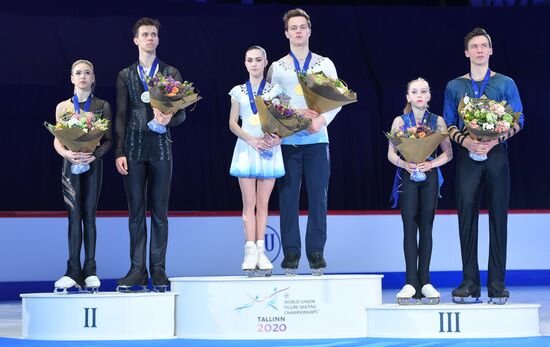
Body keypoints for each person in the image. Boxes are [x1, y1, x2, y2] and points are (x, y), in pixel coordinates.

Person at [443, 28, 524, 304]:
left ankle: (497, 284)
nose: (479, 50)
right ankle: (469, 282)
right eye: (474, 46)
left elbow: (518, 121)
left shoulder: (505, 83)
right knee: (466, 218)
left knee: (499, 217)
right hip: (468, 156)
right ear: (466, 52)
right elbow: (449, 123)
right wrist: (466, 143)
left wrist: (493, 141)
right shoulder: (454, 86)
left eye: (483, 46)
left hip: (496, 153)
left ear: (491, 50)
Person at [267, 8, 341, 275]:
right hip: (288, 143)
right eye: (293, 28)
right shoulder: (277, 67)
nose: (298, 31)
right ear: (286, 33)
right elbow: (273, 104)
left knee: (318, 199)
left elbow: (336, 100)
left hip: (318, 141)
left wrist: (320, 121)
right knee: (287, 199)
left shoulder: (324, 64)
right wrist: (296, 117)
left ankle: (316, 253)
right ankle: (291, 254)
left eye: (302, 27)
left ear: (309, 31)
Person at [115, 17, 186, 291]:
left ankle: (157, 269)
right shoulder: (125, 75)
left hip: (160, 148)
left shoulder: (170, 72)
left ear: (158, 39)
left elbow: (180, 115)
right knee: (135, 212)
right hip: (132, 147)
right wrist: (119, 151)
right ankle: (136, 269)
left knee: (159, 211)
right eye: (145, 34)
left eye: (153, 34)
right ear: (136, 40)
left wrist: (170, 120)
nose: (149, 38)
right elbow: (120, 115)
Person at [387, 78, 452, 304]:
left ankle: (425, 282)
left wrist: (431, 164)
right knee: (409, 227)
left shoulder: (438, 121)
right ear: (408, 97)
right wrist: (405, 164)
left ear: (430, 95)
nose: (419, 95)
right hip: (408, 175)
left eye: (424, 91)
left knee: (426, 227)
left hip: (430, 175)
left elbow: (448, 153)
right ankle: (409, 283)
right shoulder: (399, 121)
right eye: (414, 91)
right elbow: (391, 154)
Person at [53, 59, 112, 293]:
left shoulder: (102, 105)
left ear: (93, 77)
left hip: (92, 166)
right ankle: (72, 271)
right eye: (78, 73)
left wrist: (94, 155)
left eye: (87, 72)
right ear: (71, 78)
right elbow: (58, 138)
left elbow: (107, 141)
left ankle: (90, 270)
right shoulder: (63, 107)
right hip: (70, 167)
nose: (83, 76)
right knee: (73, 216)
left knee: (89, 216)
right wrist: (67, 153)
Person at [228, 46, 284, 276]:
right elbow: (232, 123)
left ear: (265, 62)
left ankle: (262, 250)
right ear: (245, 63)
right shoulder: (238, 91)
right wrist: (251, 140)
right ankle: (249, 250)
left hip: (268, 150)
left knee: (263, 204)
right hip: (246, 148)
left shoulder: (275, 91)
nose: (254, 64)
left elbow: (283, 122)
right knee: (248, 204)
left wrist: (276, 139)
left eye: (258, 60)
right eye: (250, 60)